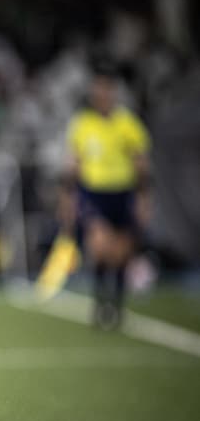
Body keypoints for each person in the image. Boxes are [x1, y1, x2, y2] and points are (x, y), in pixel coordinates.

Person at [61, 64, 151, 329]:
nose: (102, 93)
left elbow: (141, 164)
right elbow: (74, 164)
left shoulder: (127, 123)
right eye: (98, 88)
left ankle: (117, 306)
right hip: (94, 193)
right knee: (99, 247)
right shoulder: (83, 124)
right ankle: (100, 304)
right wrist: (68, 199)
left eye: (106, 88)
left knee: (121, 253)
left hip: (122, 192)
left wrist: (144, 198)